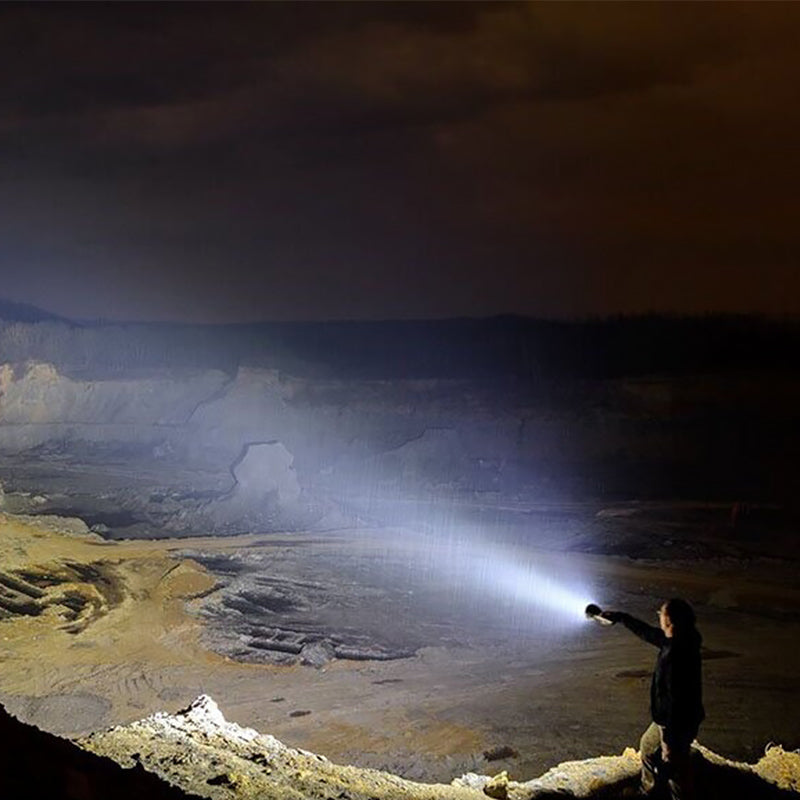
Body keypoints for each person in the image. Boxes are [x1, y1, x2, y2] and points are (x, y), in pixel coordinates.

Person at [600, 599, 704, 799]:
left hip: (675, 723)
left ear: (669, 621)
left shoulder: (675, 656)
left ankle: (669, 794)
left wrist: (667, 741)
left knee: (675, 768)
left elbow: (674, 702)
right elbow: (648, 633)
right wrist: (622, 617)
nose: (658, 616)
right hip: (676, 720)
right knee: (648, 745)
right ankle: (648, 789)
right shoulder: (680, 640)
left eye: (661, 613)